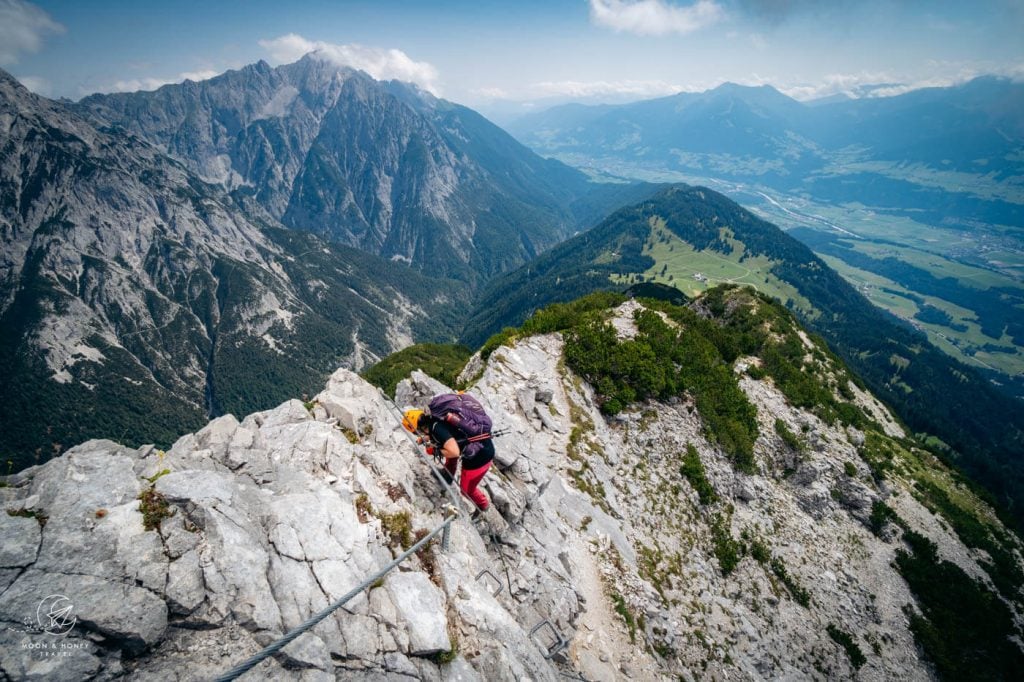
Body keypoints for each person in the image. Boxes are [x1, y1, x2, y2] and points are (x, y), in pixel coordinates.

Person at [402, 405, 495, 517]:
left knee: (466, 490)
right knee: (447, 448)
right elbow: (443, 434)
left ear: (418, 429)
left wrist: (437, 451)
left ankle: (483, 505)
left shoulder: (436, 429)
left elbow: (454, 451)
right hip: (480, 446)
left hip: (480, 458)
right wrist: (425, 439)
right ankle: (448, 475)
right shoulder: (434, 419)